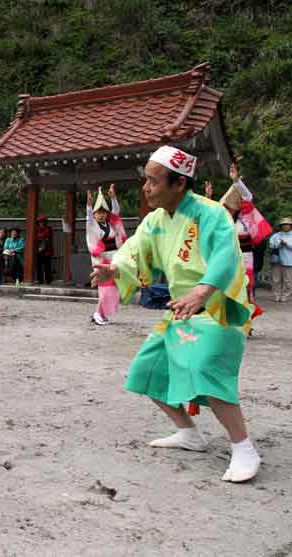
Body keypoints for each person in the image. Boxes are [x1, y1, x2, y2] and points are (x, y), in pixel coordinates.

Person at [92, 146, 260, 483]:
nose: (146, 188)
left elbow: (227, 259)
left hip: (218, 307)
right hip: (181, 308)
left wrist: (201, 291)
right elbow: (135, 249)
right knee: (147, 371)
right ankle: (189, 433)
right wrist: (116, 269)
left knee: (205, 366)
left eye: (154, 182)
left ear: (179, 184)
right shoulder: (155, 220)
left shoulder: (211, 214)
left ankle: (243, 447)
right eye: (147, 181)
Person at [207, 162, 272, 321]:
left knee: (246, 289)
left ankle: (246, 321)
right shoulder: (222, 221)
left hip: (245, 259)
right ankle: (227, 319)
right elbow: (210, 212)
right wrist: (208, 198)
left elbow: (248, 197)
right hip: (227, 259)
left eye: (229, 207)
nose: (226, 210)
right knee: (226, 290)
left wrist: (236, 181)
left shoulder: (245, 219)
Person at [86, 184, 127, 325]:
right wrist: (89, 205)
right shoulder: (93, 225)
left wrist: (113, 197)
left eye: (104, 212)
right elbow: (89, 218)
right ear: (95, 214)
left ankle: (99, 313)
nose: (101, 215)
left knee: (112, 286)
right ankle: (99, 314)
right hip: (101, 259)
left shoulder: (112, 223)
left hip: (113, 257)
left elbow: (116, 211)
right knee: (104, 287)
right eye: (98, 212)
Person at [268, 217, 292, 302]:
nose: (285, 226)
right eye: (283, 225)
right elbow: (271, 246)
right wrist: (279, 244)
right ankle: (276, 295)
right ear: (281, 226)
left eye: (287, 225)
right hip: (276, 261)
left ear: (290, 226)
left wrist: (286, 244)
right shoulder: (276, 235)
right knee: (276, 280)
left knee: (288, 281)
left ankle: (285, 296)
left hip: (289, 261)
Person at [35, 215, 54, 284]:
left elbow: (47, 239)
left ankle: (48, 280)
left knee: (47, 265)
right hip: (38, 249)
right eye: (40, 222)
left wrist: (43, 248)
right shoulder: (36, 229)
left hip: (46, 250)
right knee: (38, 265)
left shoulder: (48, 229)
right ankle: (40, 280)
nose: (42, 223)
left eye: (43, 222)